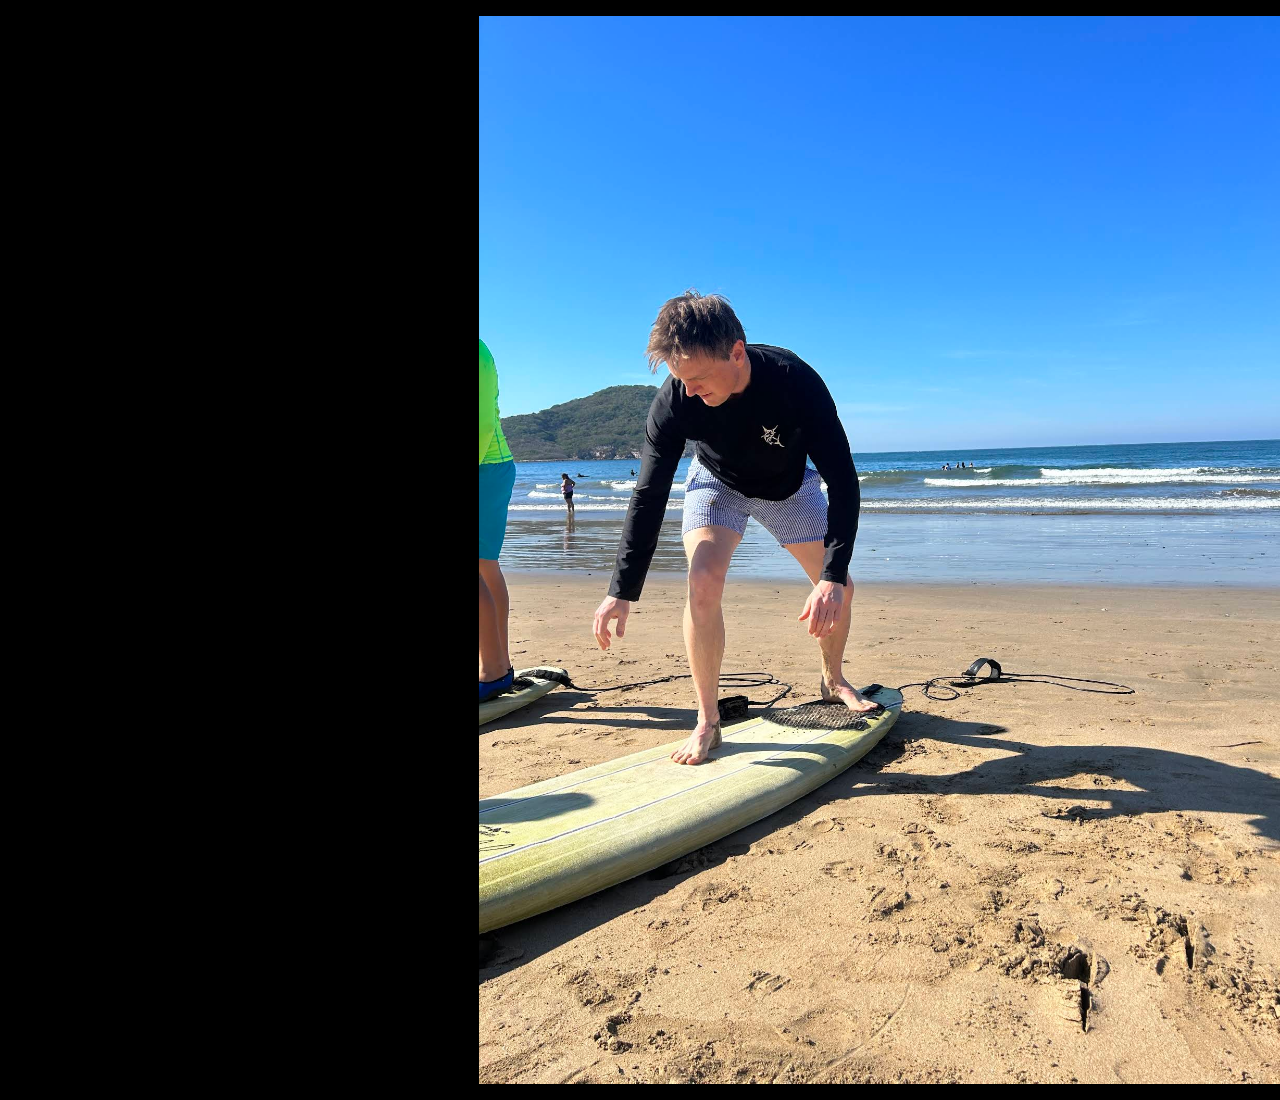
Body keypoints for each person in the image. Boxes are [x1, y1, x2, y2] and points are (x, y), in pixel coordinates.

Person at [592, 290, 879, 766]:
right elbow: (648, 494)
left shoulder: (794, 381)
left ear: (737, 352)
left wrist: (829, 577)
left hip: (788, 489)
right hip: (716, 483)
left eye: (698, 378)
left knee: (841, 587)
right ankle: (707, 719)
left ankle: (833, 679)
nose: (689, 390)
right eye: (680, 379)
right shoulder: (675, 400)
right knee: (703, 580)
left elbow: (844, 481)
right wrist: (621, 591)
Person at [480, 339, 517, 702]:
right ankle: (498, 665)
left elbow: (482, 424)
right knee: (485, 565)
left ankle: (492, 671)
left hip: (485, 467)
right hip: (489, 467)